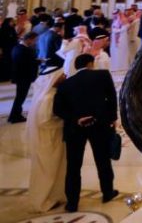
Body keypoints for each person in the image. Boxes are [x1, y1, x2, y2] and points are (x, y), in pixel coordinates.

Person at [53, 54, 118, 211]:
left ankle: (72, 202)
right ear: (90, 64)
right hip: (99, 125)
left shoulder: (65, 84)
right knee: (103, 161)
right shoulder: (103, 75)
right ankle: (107, 192)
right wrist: (112, 118)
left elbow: (58, 109)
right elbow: (112, 98)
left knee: (73, 166)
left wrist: (76, 119)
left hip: (74, 129)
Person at [27, 65, 66, 212]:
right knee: (47, 171)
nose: (64, 77)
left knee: (53, 170)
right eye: (61, 75)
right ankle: (42, 201)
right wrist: (65, 122)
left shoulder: (49, 94)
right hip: (48, 140)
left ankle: (53, 197)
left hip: (51, 138)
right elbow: (44, 121)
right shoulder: (47, 98)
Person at [9, 30, 39, 123]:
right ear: (29, 39)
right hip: (23, 77)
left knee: (20, 97)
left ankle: (14, 115)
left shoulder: (17, 47)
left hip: (20, 76)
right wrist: (37, 61)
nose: (35, 42)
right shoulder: (24, 50)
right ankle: (15, 116)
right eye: (34, 40)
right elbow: (27, 64)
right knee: (20, 97)